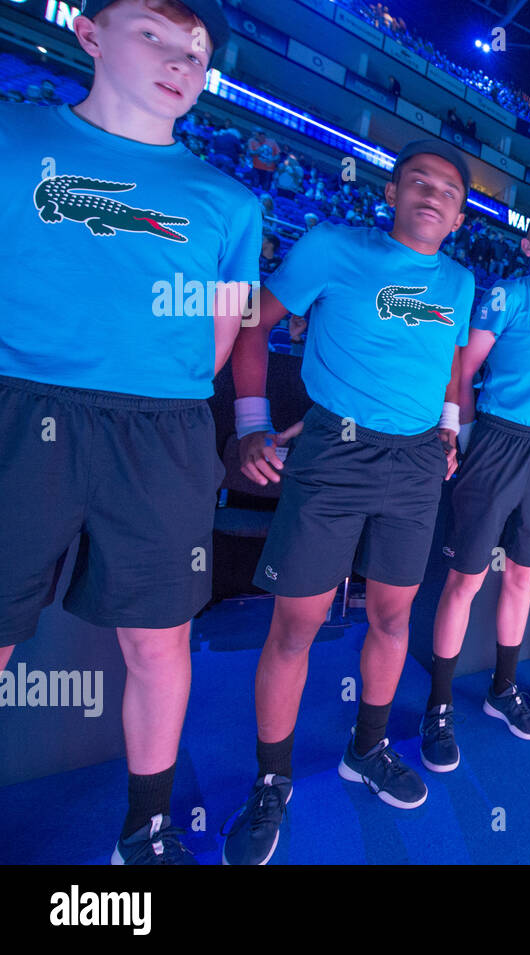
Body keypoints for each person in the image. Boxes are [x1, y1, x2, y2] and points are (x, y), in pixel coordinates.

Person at [0, 0, 249, 865]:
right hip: (20, 407)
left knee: (160, 639)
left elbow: (219, 340)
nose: (182, 58)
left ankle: (145, 830)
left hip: (164, 431)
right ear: (89, 32)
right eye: (155, 32)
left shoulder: (229, 201)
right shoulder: (13, 139)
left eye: (198, 49)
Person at [221, 140, 475, 865]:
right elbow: (253, 321)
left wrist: (451, 430)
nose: (432, 194)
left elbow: (455, 361)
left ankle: (367, 748)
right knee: (295, 624)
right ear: (392, 192)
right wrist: (249, 425)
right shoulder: (333, 245)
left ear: (458, 217)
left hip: (419, 458)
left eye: (448, 191)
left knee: (393, 615)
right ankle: (272, 778)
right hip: (335, 450)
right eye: (419, 180)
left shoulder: (458, 282)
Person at [420, 204, 530, 767]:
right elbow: (463, 370)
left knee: (522, 577)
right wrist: (464, 435)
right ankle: (439, 706)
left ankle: (501, 688)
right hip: (495, 440)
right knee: (465, 578)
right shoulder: (506, 295)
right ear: (527, 246)